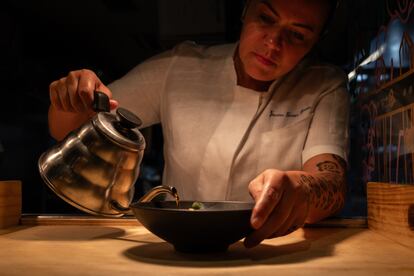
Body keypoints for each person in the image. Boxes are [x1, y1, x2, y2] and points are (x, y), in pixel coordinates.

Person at [48, 0, 349, 248]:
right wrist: (72, 98)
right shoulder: (181, 67)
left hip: (268, 250)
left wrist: (301, 191)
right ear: (245, 10)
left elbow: (331, 183)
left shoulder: (322, 83)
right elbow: (67, 130)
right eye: (266, 18)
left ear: (314, 42)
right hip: (172, 247)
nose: (273, 44)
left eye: (297, 35)